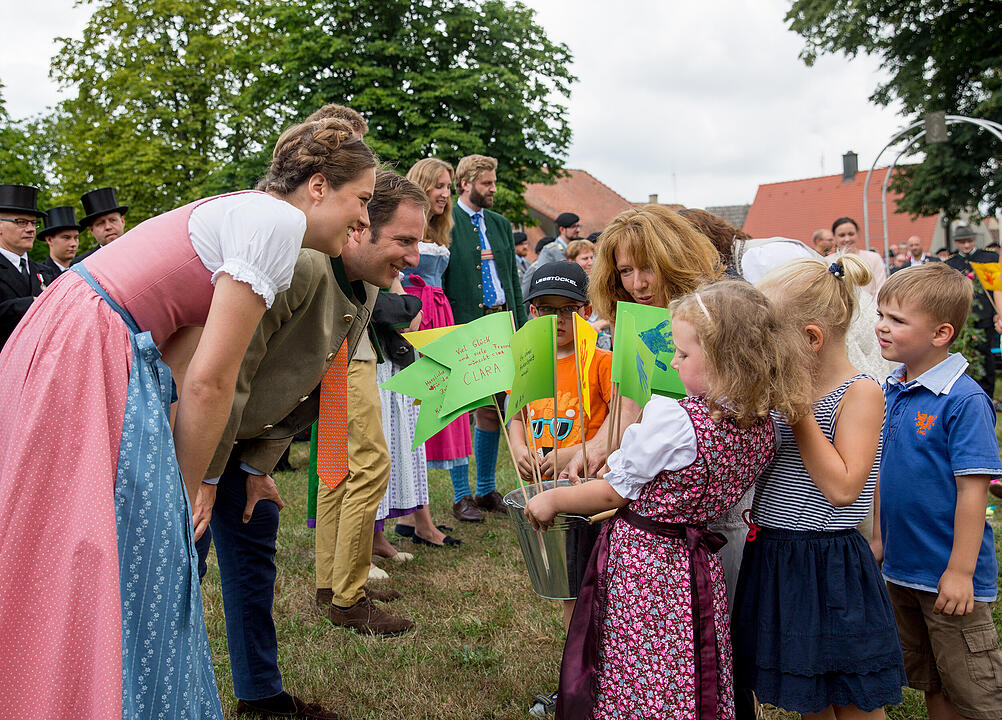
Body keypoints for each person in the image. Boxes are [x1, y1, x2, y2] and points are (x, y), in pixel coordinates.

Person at [0, 116, 375, 719]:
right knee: (81, 541)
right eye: (360, 201)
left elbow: (181, 346)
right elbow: (210, 381)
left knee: (83, 539)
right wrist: (186, 493)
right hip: (88, 342)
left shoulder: (250, 215)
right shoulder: (275, 224)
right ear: (317, 186)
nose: (364, 221)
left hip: (90, 337)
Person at [525, 280, 812, 720]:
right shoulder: (765, 423)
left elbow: (611, 491)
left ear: (724, 359)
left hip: (645, 565)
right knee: (686, 657)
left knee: (637, 654)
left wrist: (556, 500)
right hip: (698, 566)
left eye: (682, 354)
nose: (673, 363)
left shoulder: (675, 420)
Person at [190, 126, 381, 717]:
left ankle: (260, 694)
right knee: (177, 573)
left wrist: (257, 464)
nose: (415, 256)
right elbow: (224, 374)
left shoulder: (361, 289)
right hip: (192, 430)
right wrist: (203, 474)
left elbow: (306, 384)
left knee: (253, 556)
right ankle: (162, 697)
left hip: (240, 438)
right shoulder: (286, 249)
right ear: (320, 187)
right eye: (366, 206)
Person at [733, 254, 907, 719]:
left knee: (853, 700)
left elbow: (845, 489)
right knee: (807, 696)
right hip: (777, 555)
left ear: (811, 339)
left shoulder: (861, 392)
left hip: (830, 565)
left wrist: (799, 411)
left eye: (770, 340)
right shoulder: (782, 391)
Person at [873, 263, 1002, 720]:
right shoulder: (891, 389)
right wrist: (878, 539)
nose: (882, 326)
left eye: (898, 319)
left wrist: (961, 572)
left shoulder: (963, 400)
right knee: (933, 682)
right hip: (904, 570)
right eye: (881, 314)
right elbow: (884, 472)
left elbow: (974, 493)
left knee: (976, 694)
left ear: (941, 333)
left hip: (949, 578)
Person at [315, 171, 426, 637]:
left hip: (347, 348)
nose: (414, 256)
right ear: (360, 225)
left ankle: (334, 583)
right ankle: (347, 597)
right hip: (347, 352)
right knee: (369, 464)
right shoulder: (320, 257)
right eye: (403, 239)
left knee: (338, 466)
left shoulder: (347, 259)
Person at [507, 261, 614, 718]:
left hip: (594, 494)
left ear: (587, 311)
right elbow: (515, 414)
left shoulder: (600, 361)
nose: (560, 321)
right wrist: (518, 444)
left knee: (600, 590)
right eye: (547, 311)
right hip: (551, 498)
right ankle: (577, 682)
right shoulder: (529, 364)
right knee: (570, 593)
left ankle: (603, 680)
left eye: (570, 310)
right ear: (532, 312)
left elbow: (620, 420)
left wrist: (574, 454)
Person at [443, 154, 525, 520]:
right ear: (466, 184)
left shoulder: (501, 224)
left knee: (493, 412)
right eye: (487, 183)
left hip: (503, 324)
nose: (493, 189)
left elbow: (511, 277)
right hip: (466, 326)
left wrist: (521, 329)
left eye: (494, 182)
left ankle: (486, 488)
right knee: (465, 410)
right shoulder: (448, 222)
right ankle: (461, 496)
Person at [398, 157, 478, 530]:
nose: (445, 194)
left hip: (441, 315)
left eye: (448, 187)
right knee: (417, 410)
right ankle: (417, 519)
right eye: (439, 186)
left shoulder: (442, 228)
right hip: (416, 315)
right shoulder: (405, 226)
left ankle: (416, 516)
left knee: (437, 411)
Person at [0, 184, 57, 349]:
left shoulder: (45, 272)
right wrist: (31, 304)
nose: (31, 229)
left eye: (33, 223)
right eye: (21, 222)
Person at [944, 224, 998, 397]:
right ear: (956, 242)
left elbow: (996, 287)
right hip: (962, 318)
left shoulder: (989, 258)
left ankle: (987, 392)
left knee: (985, 353)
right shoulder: (950, 263)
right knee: (961, 354)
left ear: (974, 240)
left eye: (969, 241)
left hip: (985, 315)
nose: (966, 246)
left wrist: (998, 312)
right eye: (962, 242)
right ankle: (964, 393)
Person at [521, 212, 583, 296]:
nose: (578, 230)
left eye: (578, 226)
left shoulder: (582, 247)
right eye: (573, 227)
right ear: (562, 229)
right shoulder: (550, 251)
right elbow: (542, 277)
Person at [70, 186, 128, 264]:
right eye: (100, 223)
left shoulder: (141, 250)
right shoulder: (82, 265)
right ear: (91, 230)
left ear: (122, 221)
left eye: (112, 220)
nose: (108, 227)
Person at [832, 216, 886, 295]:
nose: (847, 239)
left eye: (851, 234)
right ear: (834, 237)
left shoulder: (874, 258)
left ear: (857, 234)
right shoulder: (827, 261)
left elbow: (880, 288)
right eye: (842, 235)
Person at [38, 205, 80, 274]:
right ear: (49, 240)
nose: (73, 244)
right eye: (66, 238)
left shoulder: (84, 271)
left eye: (76, 238)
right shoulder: (41, 275)